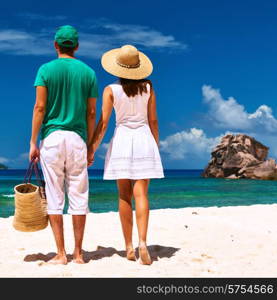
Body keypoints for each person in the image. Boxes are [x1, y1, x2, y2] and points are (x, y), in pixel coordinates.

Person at [88, 45, 164, 265]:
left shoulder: (111, 89)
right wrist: (155, 145)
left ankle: (129, 246)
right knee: (141, 194)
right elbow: (153, 121)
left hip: (122, 140)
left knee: (123, 195)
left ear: (118, 68)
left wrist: (92, 148)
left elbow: (103, 123)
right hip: (143, 139)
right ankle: (142, 241)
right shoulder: (148, 88)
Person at [29, 25, 98, 264]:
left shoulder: (45, 70)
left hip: (53, 138)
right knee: (79, 195)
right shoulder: (88, 73)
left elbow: (40, 107)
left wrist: (32, 141)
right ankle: (78, 253)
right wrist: (90, 145)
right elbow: (91, 112)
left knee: (55, 195)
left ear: (55, 45)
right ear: (77, 46)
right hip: (78, 138)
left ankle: (61, 253)